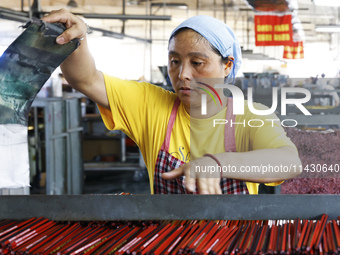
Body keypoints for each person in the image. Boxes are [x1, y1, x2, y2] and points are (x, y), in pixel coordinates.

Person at [42, 10, 301, 194]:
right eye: (175, 61)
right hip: (170, 242)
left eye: (197, 63)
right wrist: (75, 39)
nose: (183, 74)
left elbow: (289, 162)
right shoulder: (151, 105)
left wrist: (216, 163)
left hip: (233, 243)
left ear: (227, 66)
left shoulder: (250, 117)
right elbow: (86, 80)